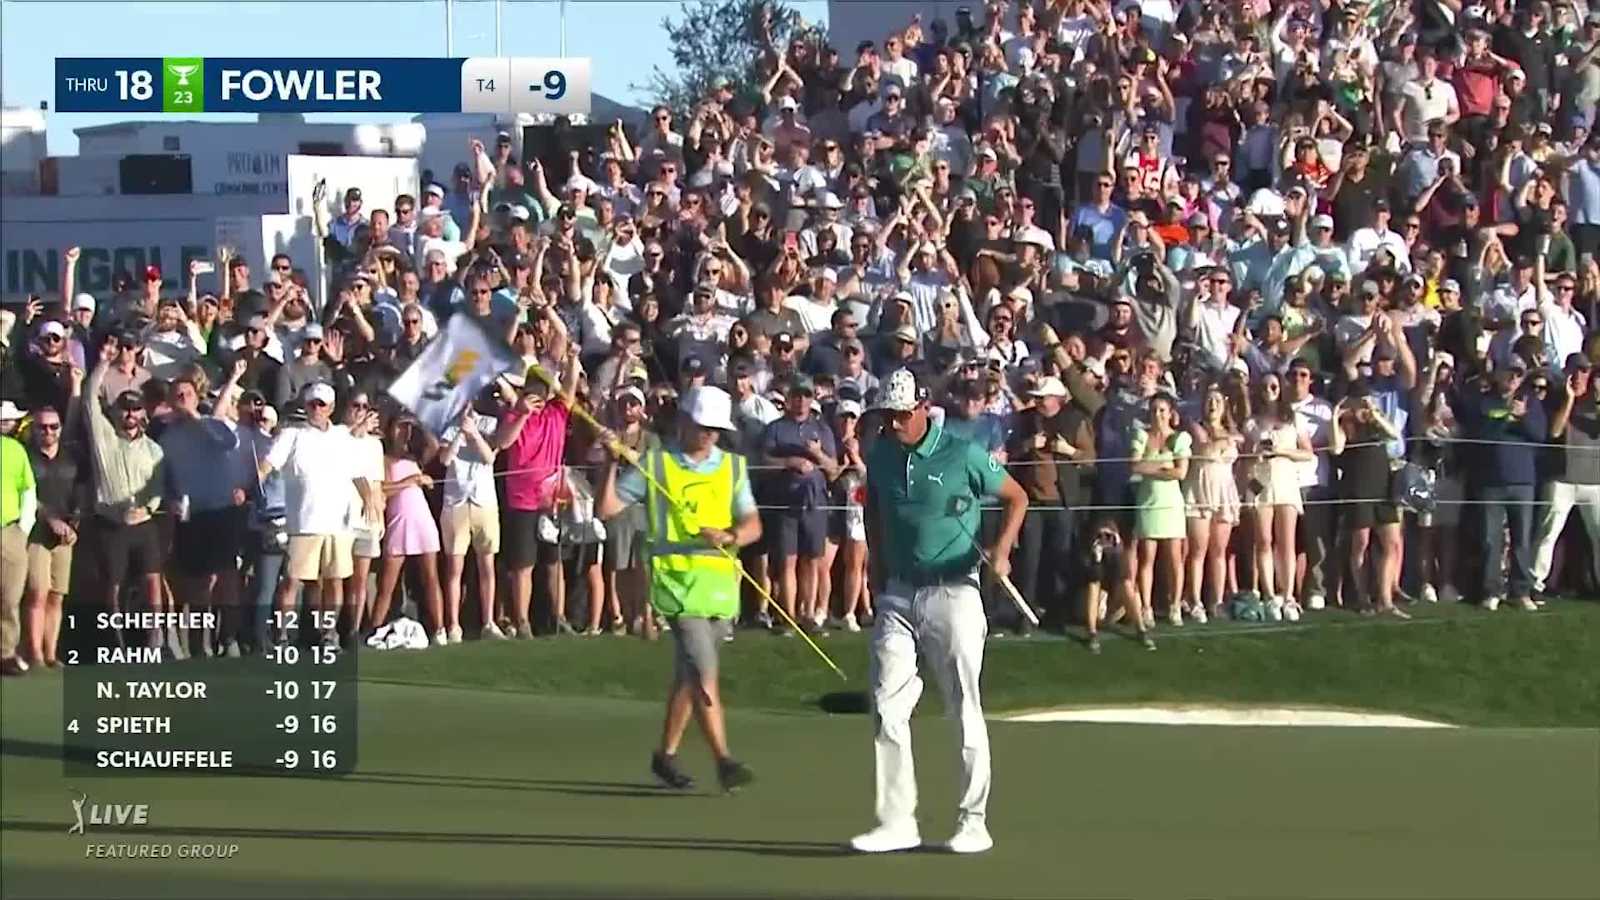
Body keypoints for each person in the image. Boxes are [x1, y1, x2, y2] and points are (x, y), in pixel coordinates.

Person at [851, 368, 1028, 855]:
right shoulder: (882, 452)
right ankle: (895, 821)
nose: (893, 425)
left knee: (963, 705)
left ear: (923, 409)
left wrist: (1003, 549)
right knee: (887, 706)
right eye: (887, 416)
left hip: (955, 592)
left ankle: (974, 820)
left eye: (901, 416)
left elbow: (1016, 496)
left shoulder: (961, 452)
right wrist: (878, 567)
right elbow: (874, 509)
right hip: (899, 594)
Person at [595, 385, 759, 793]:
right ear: (685, 422)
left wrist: (729, 535)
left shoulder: (733, 467)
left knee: (689, 674)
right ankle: (724, 760)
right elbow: (608, 508)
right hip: (674, 584)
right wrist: (610, 464)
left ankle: (665, 755)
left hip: (719, 586)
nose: (709, 435)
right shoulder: (656, 465)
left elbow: (752, 525)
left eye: (715, 429)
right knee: (704, 673)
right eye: (703, 427)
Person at [258, 382, 379, 651]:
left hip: (338, 524)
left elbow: (357, 472)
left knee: (334, 581)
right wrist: (250, 486)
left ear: (331, 408)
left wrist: (369, 497)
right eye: (312, 403)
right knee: (292, 581)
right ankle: (282, 637)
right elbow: (267, 466)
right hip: (303, 523)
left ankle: (328, 634)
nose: (315, 408)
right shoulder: (291, 435)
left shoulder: (341, 437)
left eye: (321, 404)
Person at [0, 427, 37, 676]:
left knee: (10, 596)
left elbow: (28, 490)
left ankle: (5, 653)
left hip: (8, 531)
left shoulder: (14, 449)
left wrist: (23, 529)